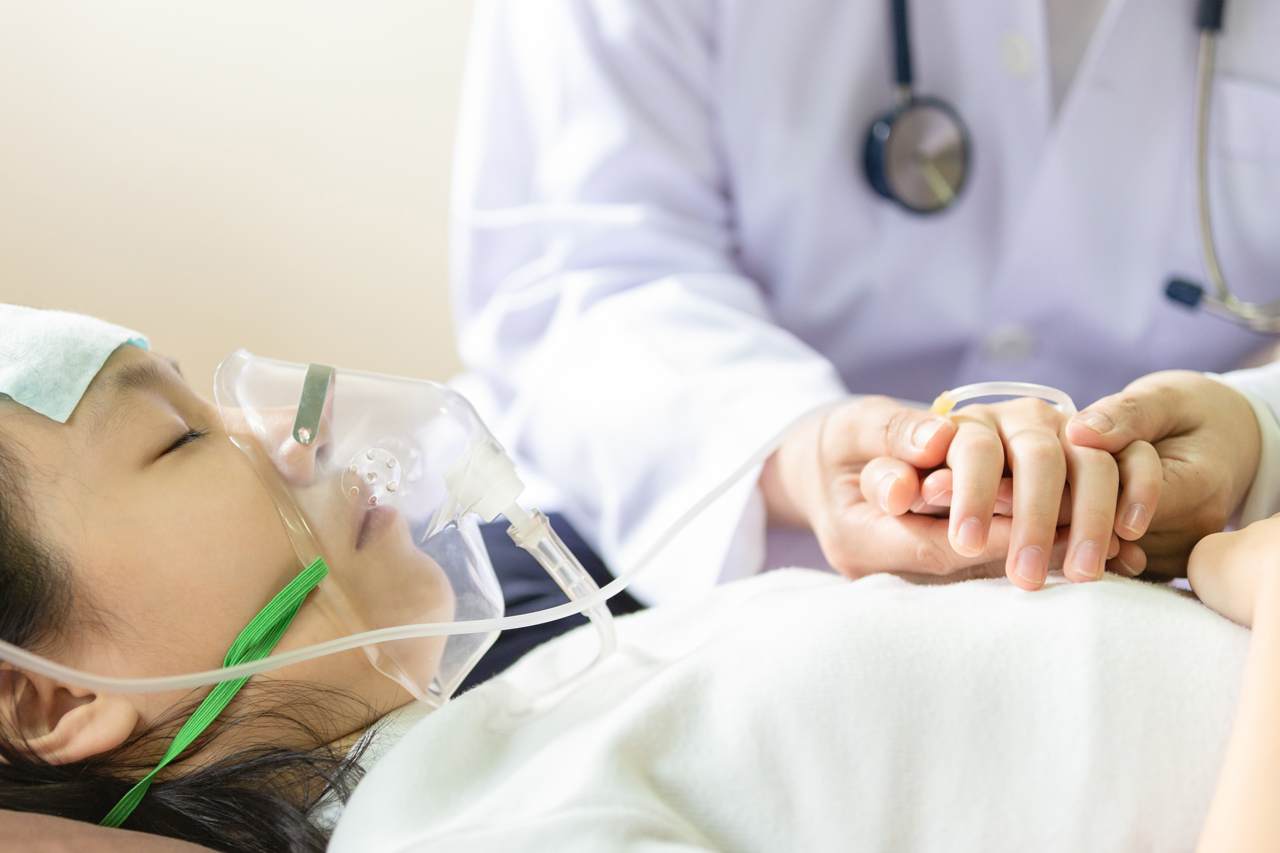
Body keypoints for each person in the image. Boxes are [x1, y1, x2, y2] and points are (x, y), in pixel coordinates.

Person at [0, 307, 1277, 853]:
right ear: (53, 702)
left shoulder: (537, 709)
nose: (281, 429)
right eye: (174, 438)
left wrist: (1153, 517)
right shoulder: (462, 838)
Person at [449, 0, 1280, 607]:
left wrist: (1256, 432)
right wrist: (793, 447)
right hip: (664, 533)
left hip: (1163, 566)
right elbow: (577, 270)